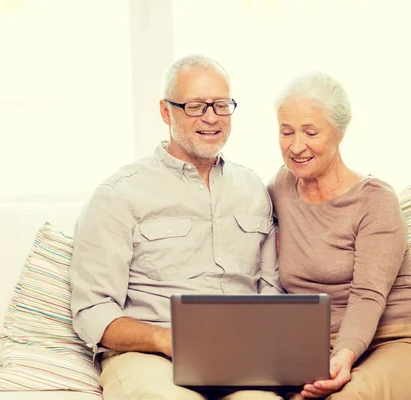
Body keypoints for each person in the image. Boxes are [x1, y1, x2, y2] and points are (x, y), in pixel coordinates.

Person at [69, 54, 283, 400]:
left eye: (221, 105)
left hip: (239, 358)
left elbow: (272, 292)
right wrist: (164, 339)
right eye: (196, 106)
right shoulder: (118, 194)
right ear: (166, 112)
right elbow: (92, 311)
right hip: (148, 359)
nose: (211, 118)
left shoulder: (254, 189)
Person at [268, 72, 411, 400]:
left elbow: (367, 294)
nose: (296, 146)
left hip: (399, 340)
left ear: (339, 133)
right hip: (319, 348)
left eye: (310, 132)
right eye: (286, 132)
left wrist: (343, 355)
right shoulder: (281, 188)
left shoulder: (374, 199)